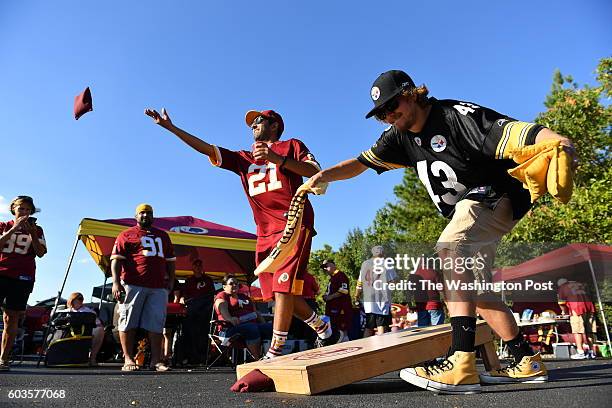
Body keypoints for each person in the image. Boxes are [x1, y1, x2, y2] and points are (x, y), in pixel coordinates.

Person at [308, 70, 577, 394]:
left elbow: (516, 131)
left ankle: (461, 361)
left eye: (393, 106)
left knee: (450, 248)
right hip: (475, 208)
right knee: (475, 287)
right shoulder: (398, 136)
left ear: (412, 93)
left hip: (495, 194)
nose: (390, 116)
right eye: (383, 114)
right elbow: (362, 162)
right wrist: (324, 176)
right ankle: (526, 360)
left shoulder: (454, 116)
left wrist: (558, 141)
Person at [145, 107, 336, 359]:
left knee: (283, 288)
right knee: (278, 294)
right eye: (251, 124)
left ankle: (275, 350)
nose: (253, 126)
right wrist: (172, 128)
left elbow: (316, 172)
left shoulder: (291, 145)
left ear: (275, 125)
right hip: (265, 231)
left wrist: (277, 159)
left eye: (258, 121)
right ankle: (322, 326)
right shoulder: (243, 158)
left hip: (294, 221)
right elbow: (207, 149)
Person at [110, 204, 176, 372]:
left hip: (158, 286)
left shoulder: (163, 235)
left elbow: (170, 261)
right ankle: (128, 359)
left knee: (156, 324)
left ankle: (156, 361)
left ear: (153, 216)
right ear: (136, 216)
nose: (146, 215)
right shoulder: (126, 234)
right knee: (128, 321)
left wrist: (171, 280)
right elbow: (116, 260)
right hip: (133, 283)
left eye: (149, 213)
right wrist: (116, 282)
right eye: (142, 213)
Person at [0, 196, 47, 371]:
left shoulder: (38, 229)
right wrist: (14, 229)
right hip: (1, 272)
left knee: (10, 318)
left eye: (28, 210)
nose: (25, 212)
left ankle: (3, 359)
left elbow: (41, 253)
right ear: (13, 209)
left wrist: (33, 233)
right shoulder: (3, 225)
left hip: (22, 276)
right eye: (21, 209)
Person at [214, 274, 272, 360]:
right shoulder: (223, 296)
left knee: (270, 327)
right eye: (231, 283)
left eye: (236, 283)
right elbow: (224, 312)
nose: (235, 285)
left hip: (251, 325)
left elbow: (256, 313)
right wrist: (230, 318)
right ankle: (256, 359)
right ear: (224, 286)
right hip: (230, 329)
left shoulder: (244, 296)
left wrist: (264, 323)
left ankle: (270, 357)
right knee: (251, 328)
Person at [175, 258, 215, 365]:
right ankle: (189, 358)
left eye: (200, 265)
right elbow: (183, 296)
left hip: (204, 314)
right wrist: (182, 300)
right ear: (192, 268)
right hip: (191, 313)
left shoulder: (208, 280)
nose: (198, 267)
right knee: (189, 335)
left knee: (203, 336)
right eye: (196, 265)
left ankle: (202, 358)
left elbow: (212, 296)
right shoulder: (189, 281)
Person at [355, 246, 397, 336]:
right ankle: (381, 347)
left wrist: (356, 296)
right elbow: (393, 282)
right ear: (383, 253)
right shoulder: (386, 263)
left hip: (368, 299)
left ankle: (365, 346)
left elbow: (359, 283)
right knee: (381, 324)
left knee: (369, 326)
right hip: (381, 298)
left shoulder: (365, 263)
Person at [557, 278, 597, 359]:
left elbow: (561, 303)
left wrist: (564, 312)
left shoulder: (562, 287)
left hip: (577, 308)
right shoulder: (580, 284)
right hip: (589, 307)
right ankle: (591, 352)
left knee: (577, 330)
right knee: (589, 330)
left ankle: (580, 352)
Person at [64, 292, 104, 366]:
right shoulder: (65, 312)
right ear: (71, 300)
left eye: (81, 299)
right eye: (78, 298)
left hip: (84, 332)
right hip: (68, 333)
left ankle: (92, 358)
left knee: (100, 330)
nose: (80, 300)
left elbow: (97, 323)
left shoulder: (89, 312)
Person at [321, 260, 352, 342]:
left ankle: (346, 344)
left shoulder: (341, 275)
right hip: (332, 308)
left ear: (333, 265)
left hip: (341, 308)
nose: (325, 269)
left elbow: (344, 290)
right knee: (334, 327)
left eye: (326, 266)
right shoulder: (332, 278)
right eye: (323, 267)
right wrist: (325, 296)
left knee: (342, 328)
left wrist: (330, 297)